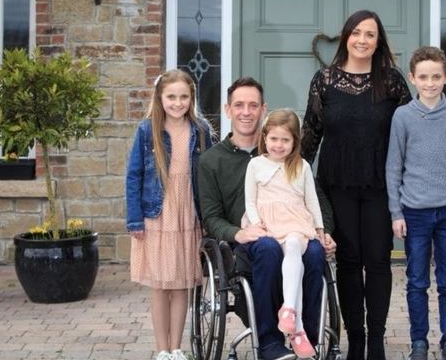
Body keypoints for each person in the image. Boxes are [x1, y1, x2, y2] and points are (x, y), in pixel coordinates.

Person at [198, 77, 337, 360]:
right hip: (251, 242)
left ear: (263, 109)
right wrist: (238, 233)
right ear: (227, 110)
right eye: (239, 105)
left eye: (252, 105)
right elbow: (210, 217)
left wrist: (325, 232)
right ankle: (270, 343)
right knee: (268, 247)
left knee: (312, 252)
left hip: (294, 233)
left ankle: (306, 337)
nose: (246, 112)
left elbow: (316, 201)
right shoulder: (212, 160)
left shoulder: (291, 157)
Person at [300, 9, 411, 360]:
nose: (362, 40)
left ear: (379, 42)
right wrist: (285, 176)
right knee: (348, 262)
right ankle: (356, 340)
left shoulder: (391, 81)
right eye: (357, 33)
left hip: (381, 187)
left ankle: (376, 341)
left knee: (378, 261)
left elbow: (415, 132)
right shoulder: (325, 80)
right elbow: (310, 134)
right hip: (338, 185)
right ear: (346, 35)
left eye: (370, 35)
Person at [385, 46, 446, 360]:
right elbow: (393, 167)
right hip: (414, 212)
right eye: (423, 77)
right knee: (416, 282)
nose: (430, 83)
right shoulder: (403, 117)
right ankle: (419, 342)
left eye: (436, 76)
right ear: (412, 78)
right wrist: (396, 212)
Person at [125, 69, 213, 360]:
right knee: (161, 284)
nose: (178, 103)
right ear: (160, 98)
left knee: (182, 282)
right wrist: (135, 219)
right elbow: (133, 175)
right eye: (171, 97)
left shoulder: (200, 130)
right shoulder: (145, 130)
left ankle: (176, 347)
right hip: (157, 213)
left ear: (192, 98)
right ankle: (162, 349)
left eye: (184, 97)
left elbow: (210, 175)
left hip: (188, 211)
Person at [242, 108, 327, 358]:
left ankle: (289, 309)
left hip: (295, 223)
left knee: (294, 246)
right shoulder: (255, 165)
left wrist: (320, 230)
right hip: (267, 223)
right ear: (265, 138)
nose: (279, 145)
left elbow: (312, 202)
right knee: (284, 256)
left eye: (285, 140)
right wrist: (258, 224)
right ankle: (297, 330)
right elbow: (250, 201)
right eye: (274, 139)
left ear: (295, 142)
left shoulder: (301, 166)